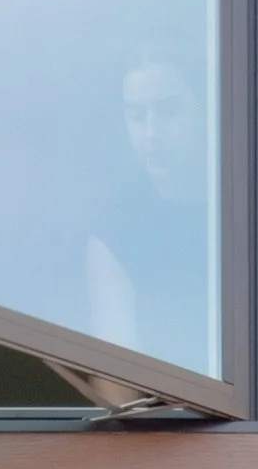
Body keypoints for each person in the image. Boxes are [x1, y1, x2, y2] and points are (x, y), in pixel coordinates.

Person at [85, 45, 215, 368]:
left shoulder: (244, 206)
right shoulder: (116, 231)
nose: (151, 133)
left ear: (206, 110)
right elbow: (120, 384)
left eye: (168, 111)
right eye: (137, 115)